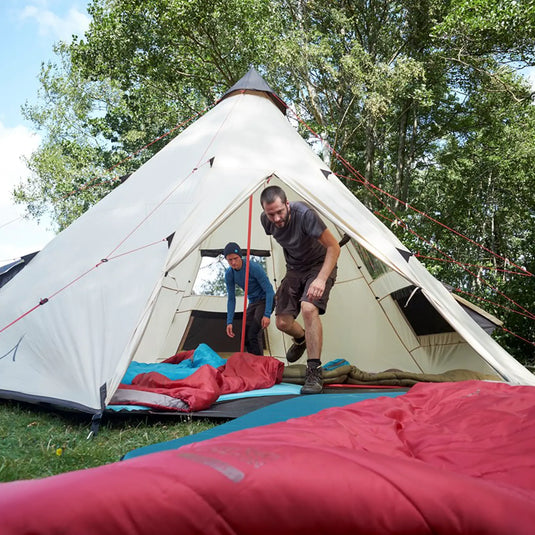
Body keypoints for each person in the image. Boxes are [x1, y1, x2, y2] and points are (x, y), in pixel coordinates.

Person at [260, 185, 340, 394]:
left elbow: (334, 247)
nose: (276, 219)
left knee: (308, 308)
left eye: (280, 212)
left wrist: (321, 280)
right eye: (271, 214)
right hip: (294, 269)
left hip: (319, 264)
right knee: (282, 322)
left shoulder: (304, 214)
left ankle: (314, 371)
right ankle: (301, 338)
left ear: (287, 204)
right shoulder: (265, 221)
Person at [224, 242, 275, 356]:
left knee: (253, 334)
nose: (233, 262)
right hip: (253, 303)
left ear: (240, 256)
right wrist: (229, 322)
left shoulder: (253, 267)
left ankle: (259, 365)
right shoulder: (229, 274)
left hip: (265, 300)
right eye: (229, 260)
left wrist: (267, 314)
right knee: (245, 336)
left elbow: (269, 291)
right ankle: (252, 364)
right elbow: (231, 299)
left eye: (235, 258)